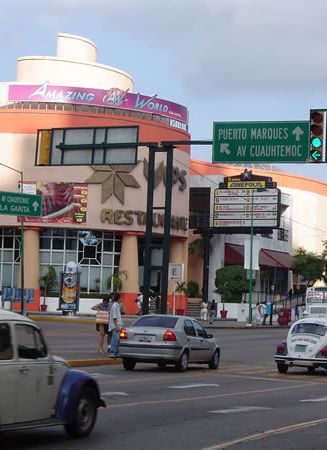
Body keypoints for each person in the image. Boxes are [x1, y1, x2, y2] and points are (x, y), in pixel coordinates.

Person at [108, 292, 123, 358]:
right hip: (115, 326)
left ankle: (116, 352)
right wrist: (116, 326)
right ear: (118, 298)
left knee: (118, 340)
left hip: (118, 326)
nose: (121, 299)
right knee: (115, 339)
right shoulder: (114, 306)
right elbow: (114, 317)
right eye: (120, 298)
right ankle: (112, 352)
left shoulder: (117, 306)